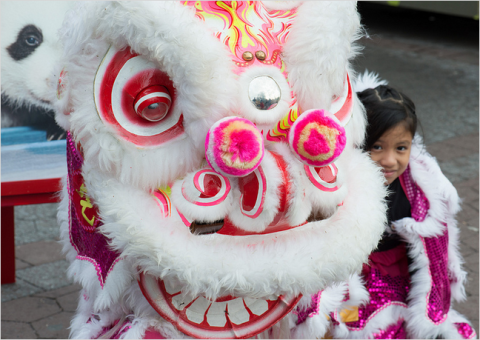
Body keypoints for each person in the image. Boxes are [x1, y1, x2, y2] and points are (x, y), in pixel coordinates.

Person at [293, 72, 476, 339]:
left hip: (399, 277)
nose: (390, 160)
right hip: (352, 278)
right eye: (377, 147)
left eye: (401, 148)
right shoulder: (337, 186)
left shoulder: (420, 189)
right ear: (357, 142)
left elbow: (434, 253)